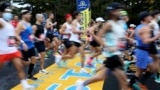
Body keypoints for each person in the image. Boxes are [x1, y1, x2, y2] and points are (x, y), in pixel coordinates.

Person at [76, 2, 128, 90]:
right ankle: (82, 82)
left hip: (116, 55)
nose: (120, 12)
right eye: (118, 10)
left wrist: (124, 47)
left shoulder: (119, 23)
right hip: (113, 56)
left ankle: (82, 84)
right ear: (112, 12)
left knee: (102, 76)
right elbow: (99, 36)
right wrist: (108, 46)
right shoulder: (109, 24)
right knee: (124, 82)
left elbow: (121, 38)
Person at [0, 2, 35, 90]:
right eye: (6, 11)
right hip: (1, 51)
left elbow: (13, 35)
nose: (9, 13)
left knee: (19, 66)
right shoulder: (1, 21)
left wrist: (21, 42)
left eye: (10, 11)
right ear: (1, 13)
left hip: (12, 49)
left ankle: (25, 86)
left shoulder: (10, 24)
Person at [128, 11, 160, 88]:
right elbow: (145, 41)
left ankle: (140, 82)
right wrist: (156, 37)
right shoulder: (144, 28)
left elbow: (132, 37)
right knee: (139, 72)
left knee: (153, 69)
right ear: (145, 18)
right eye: (149, 16)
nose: (151, 17)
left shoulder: (140, 27)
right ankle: (129, 85)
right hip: (142, 52)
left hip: (144, 52)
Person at [15, 10, 38, 80]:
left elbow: (30, 34)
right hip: (24, 47)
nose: (30, 15)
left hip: (31, 45)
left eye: (30, 14)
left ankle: (29, 74)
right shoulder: (20, 24)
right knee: (26, 63)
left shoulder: (29, 23)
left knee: (34, 59)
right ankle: (17, 61)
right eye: (28, 14)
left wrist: (33, 37)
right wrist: (22, 42)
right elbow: (15, 34)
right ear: (23, 15)